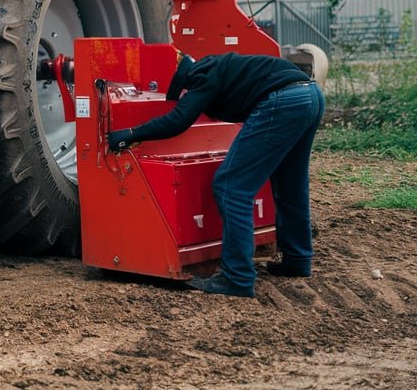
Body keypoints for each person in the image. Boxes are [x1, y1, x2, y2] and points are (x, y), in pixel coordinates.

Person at [107, 50, 325, 298]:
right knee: (290, 185)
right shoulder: (214, 66)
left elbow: (178, 120)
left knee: (231, 187)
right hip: (310, 95)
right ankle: (297, 260)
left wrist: (132, 134)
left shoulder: (202, 75)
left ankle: (237, 277)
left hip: (283, 101)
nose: (185, 96)